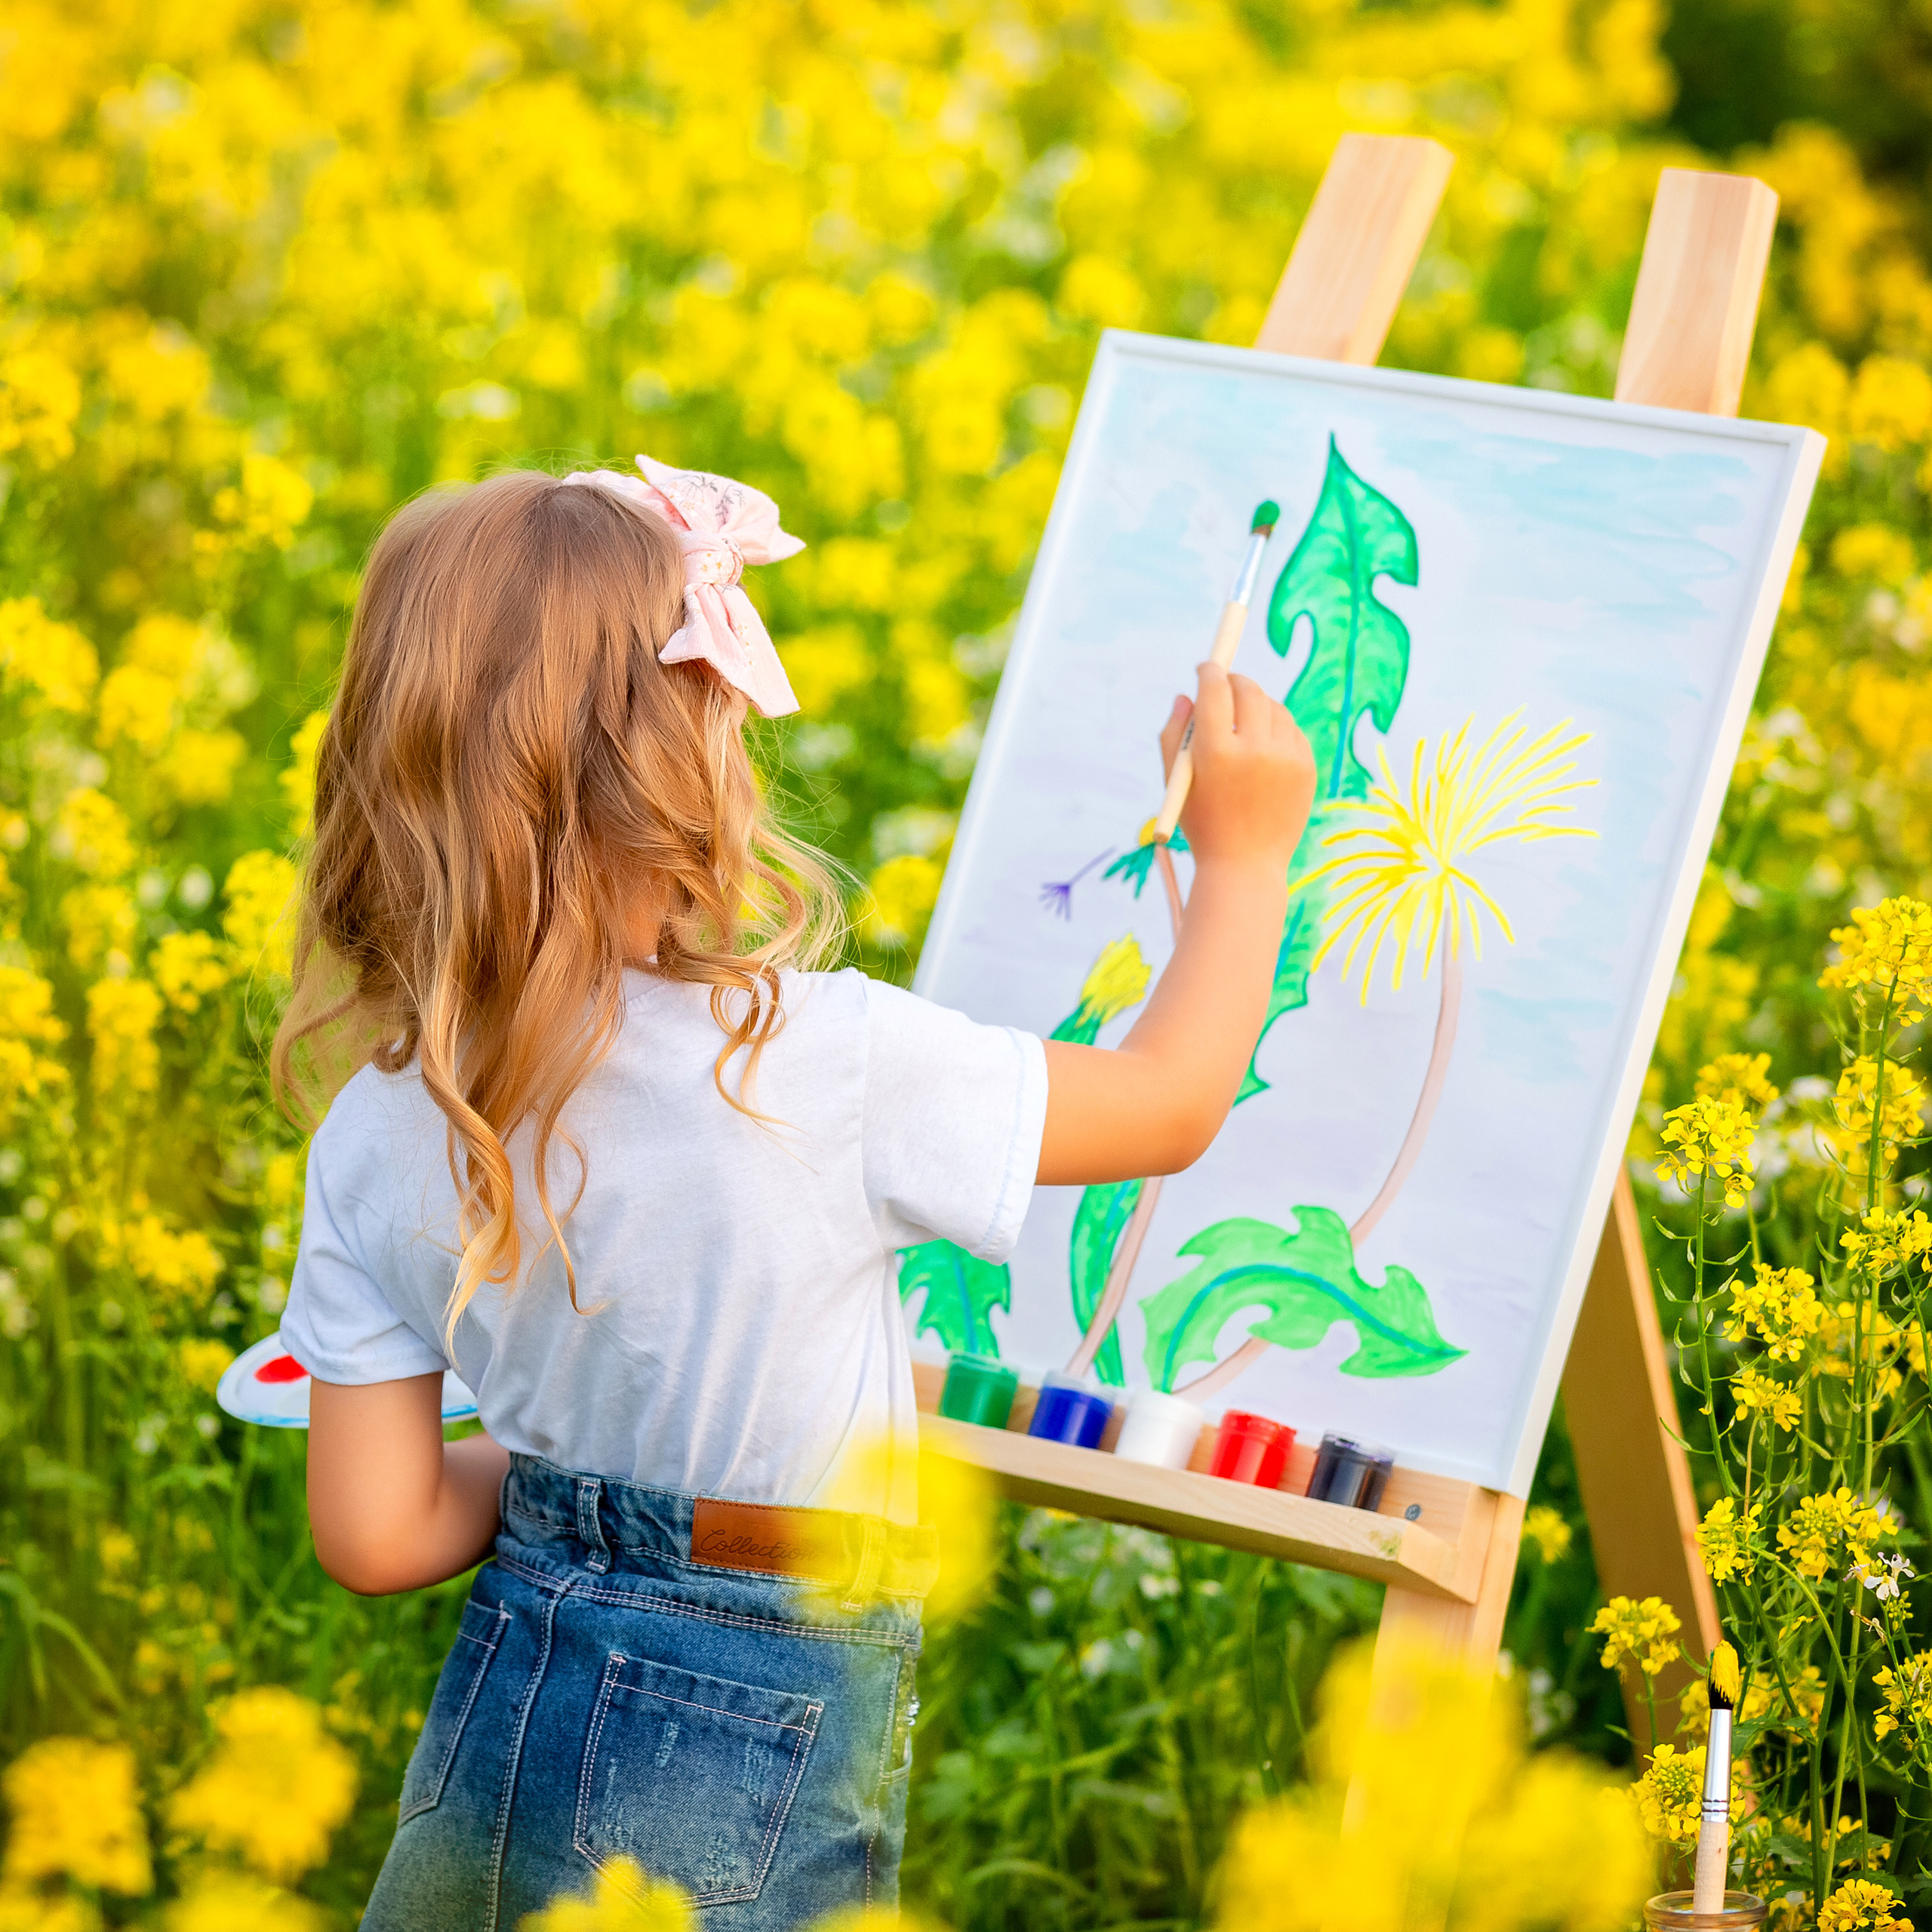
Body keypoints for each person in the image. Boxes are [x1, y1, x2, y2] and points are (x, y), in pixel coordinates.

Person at [279, 456, 1315, 1931]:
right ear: (683, 770)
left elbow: (375, 1529)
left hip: (508, 1683)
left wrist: (586, 1492)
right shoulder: (809, 1060)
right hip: (752, 1703)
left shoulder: (377, 1122)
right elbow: (1169, 1104)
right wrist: (1247, 855)